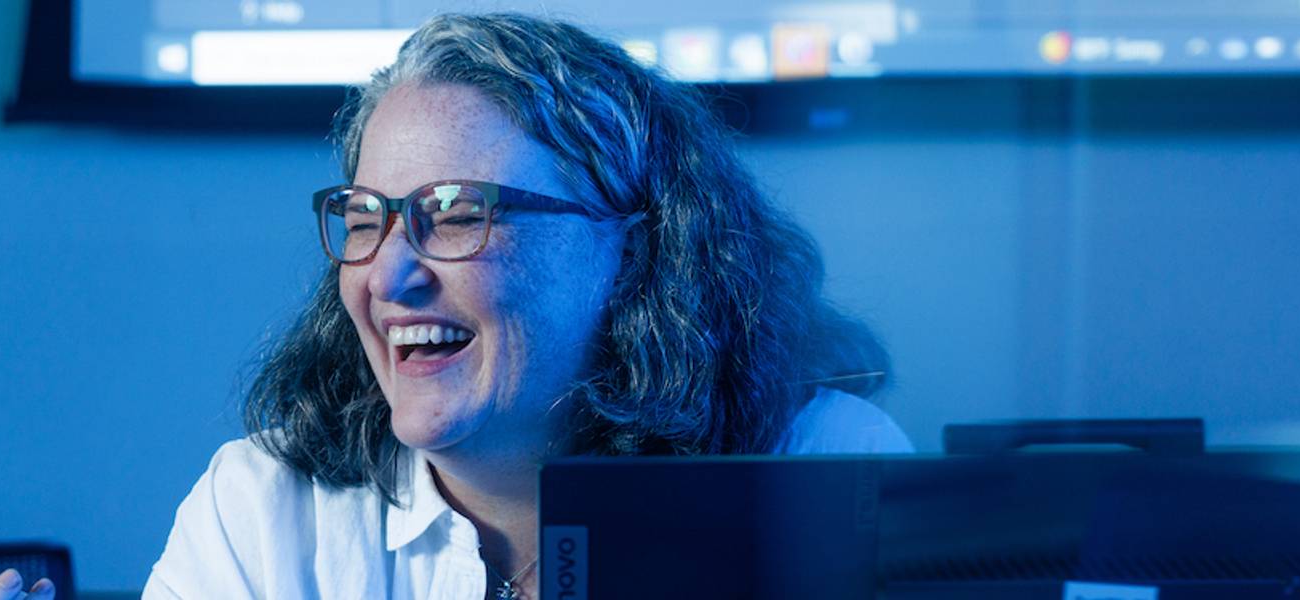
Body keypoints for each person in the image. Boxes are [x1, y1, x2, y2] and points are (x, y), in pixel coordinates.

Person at [144, 12, 913, 598]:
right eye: (365, 217)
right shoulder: (261, 508)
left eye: (455, 213)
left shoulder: (829, 474)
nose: (388, 276)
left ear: (633, 252)